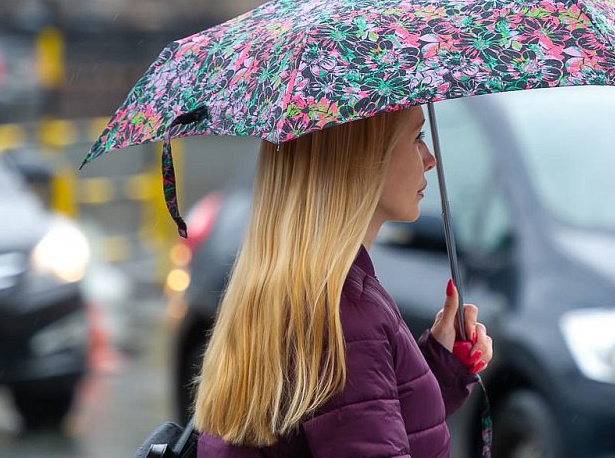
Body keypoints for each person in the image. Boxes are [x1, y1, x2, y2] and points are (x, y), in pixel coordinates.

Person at [194, 105, 494, 457]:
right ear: (362, 160)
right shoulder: (342, 315)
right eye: (417, 137)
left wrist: (440, 369)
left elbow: (354, 416)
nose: (430, 159)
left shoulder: (302, 289)